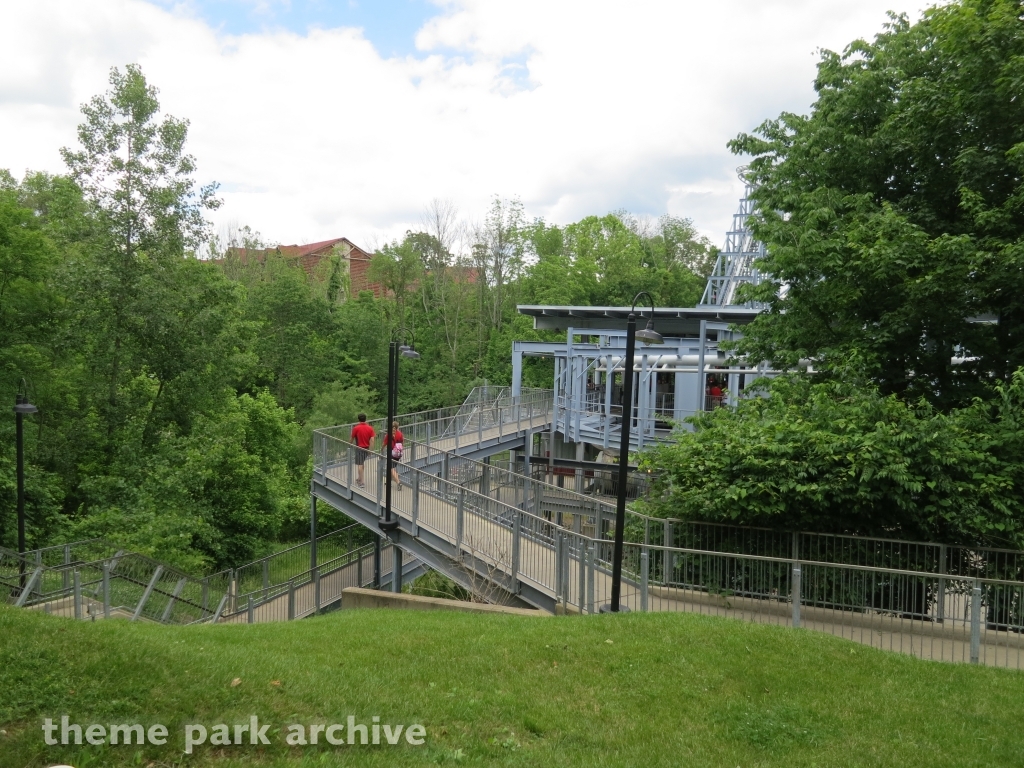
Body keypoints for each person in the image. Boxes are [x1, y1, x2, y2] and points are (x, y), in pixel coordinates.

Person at [350, 413, 375, 488]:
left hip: (359, 448)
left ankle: (362, 482)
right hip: (366, 448)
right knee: (362, 463)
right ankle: (359, 478)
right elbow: (372, 440)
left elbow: (352, 438)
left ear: (358, 419)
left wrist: (349, 444)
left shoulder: (356, 428)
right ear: (365, 419)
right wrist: (370, 450)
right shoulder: (370, 428)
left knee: (360, 465)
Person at [382, 420, 405, 491]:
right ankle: (388, 482)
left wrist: (381, 449)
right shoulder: (400, 433)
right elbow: (402, 441)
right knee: (392, 467)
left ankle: (398, 482)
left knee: (391, 468)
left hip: (392, 453)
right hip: (398, 453)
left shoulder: (388, 434)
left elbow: (384, 444)